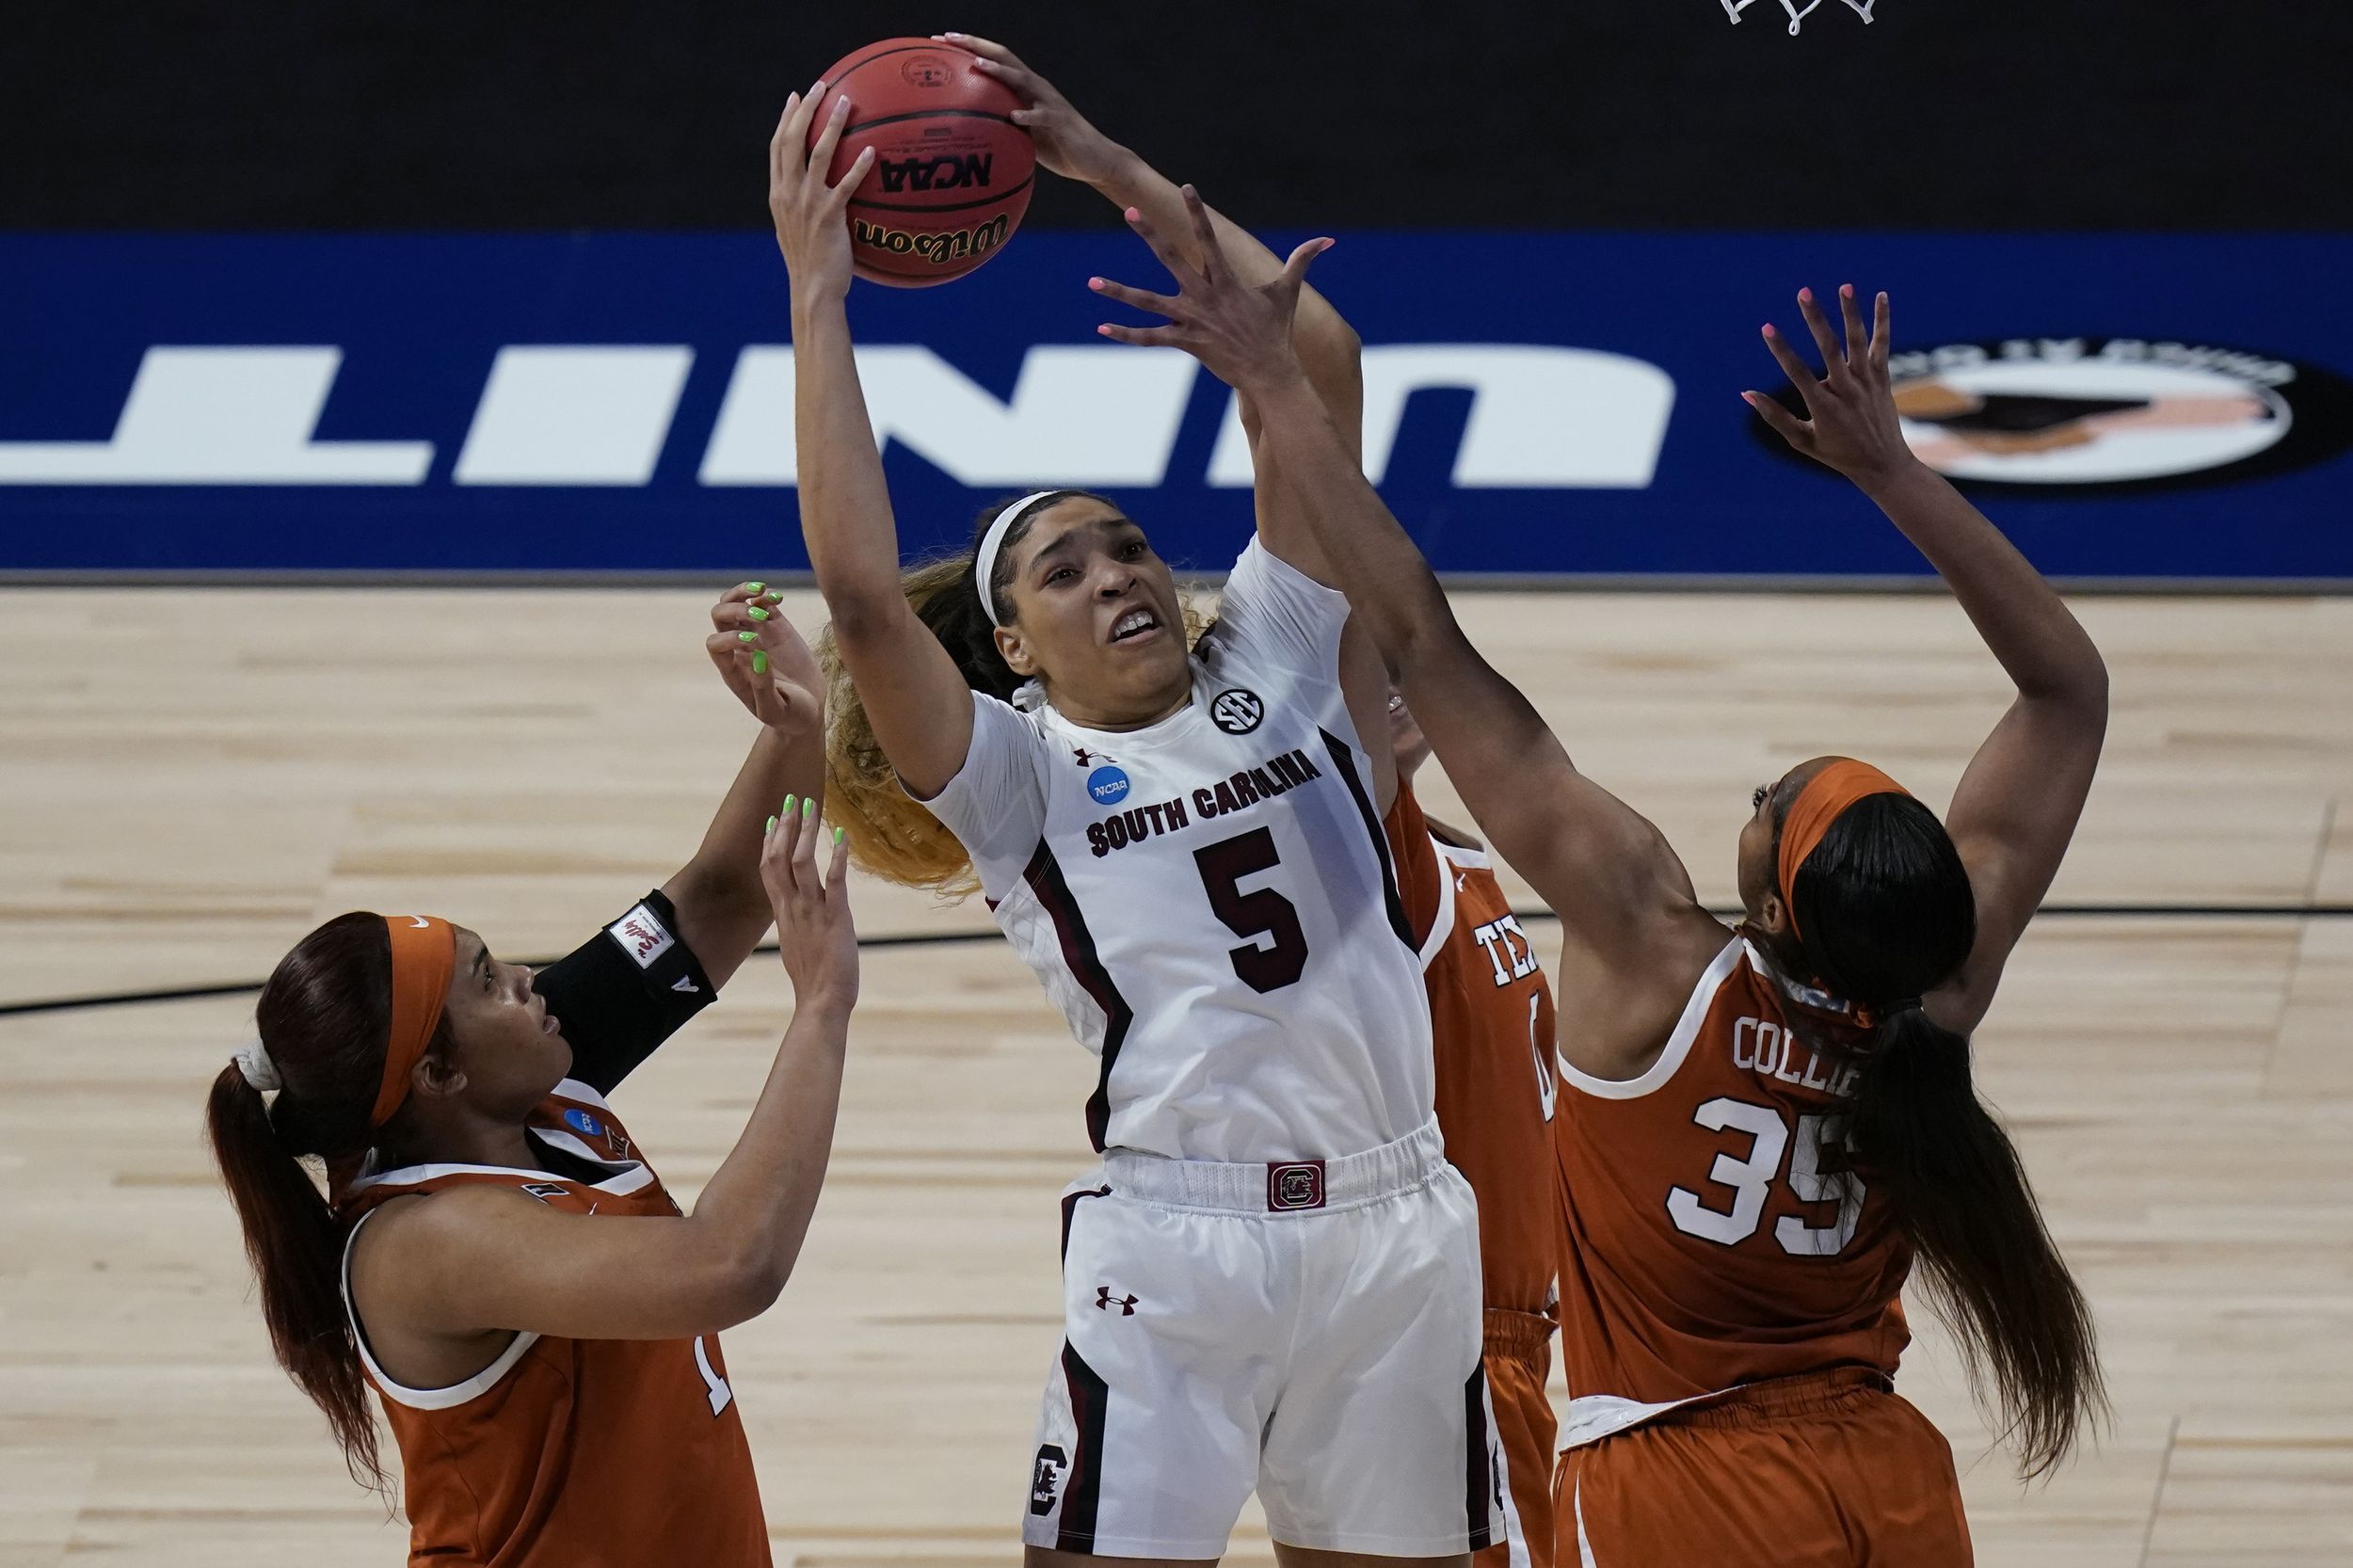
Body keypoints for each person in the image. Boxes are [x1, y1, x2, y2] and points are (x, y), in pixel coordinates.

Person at [1091, 259, 2107, 1563]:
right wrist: (1895, 476)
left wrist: (1281, 391)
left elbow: (1417, 626)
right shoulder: (1939, 992)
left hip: (1681, 1480)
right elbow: (2067, 694)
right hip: (1885, 1471)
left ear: (1769, 892)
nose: (1762, 785)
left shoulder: (1657, 952)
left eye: (1770, 797)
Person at [771, 45, 1495, 1568]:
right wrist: (818, 296)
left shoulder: (1284, 656)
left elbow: (1325, 364)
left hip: (1402, 1219)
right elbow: (854, 590)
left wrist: (1103, 165)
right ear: (1016, 651)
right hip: (1181, 1245)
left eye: (1127, 548)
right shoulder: (1015, 773)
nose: (1116, 575)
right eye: (1065, 571)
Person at [205, 590, 856, 1567]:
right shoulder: (426, 1244)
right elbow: (728, 1267)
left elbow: (721, 894)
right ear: (436, 1070)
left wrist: (791, 724)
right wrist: (819, 1011)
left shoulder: (532, 1082)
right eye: (487, 981)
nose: (526, 981)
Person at [1384, 694, 1562, 1568]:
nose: (1379, 672)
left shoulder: (1457, 857)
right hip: (1458, 1342)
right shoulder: (1376, 856)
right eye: (1349, 649)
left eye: (1390, 650)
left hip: (1507, 1342)